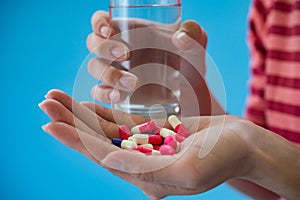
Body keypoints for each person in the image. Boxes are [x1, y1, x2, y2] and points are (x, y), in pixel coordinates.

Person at [39, 0, 300, 199]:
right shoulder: (272, 7)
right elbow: (269, 183)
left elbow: (266, 156)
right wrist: (189, 89)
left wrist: (254, 153)